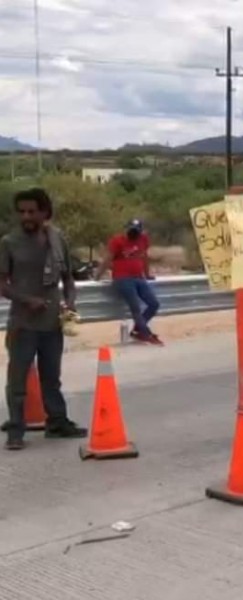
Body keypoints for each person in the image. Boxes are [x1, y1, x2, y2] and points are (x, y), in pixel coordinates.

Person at [0, 188, 87, 450]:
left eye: (31, 211)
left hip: (52, 323)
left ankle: (57, 423)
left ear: (44, 212)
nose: (26, 216)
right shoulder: (9, 242)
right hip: (23, 323)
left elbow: (69, 279)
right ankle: (16, 430)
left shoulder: (57, 238)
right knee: (18, 378)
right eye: (22, 211)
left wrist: (70, 301)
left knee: (52, 377)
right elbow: (2, 285)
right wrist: (27, 300)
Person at [95, 219, 162, 345]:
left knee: (154, 304)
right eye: (131, 230)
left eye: (136, 231)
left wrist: (147, 274)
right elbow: (107, 259)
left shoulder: (143, 239)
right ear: (126, 229)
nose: (134, 233)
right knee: (135, 307)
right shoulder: (117, 241)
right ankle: (146, 333)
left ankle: (138, 330)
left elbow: (144, 256)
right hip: (123, 278)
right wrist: (98, 275)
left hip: (138, 277)